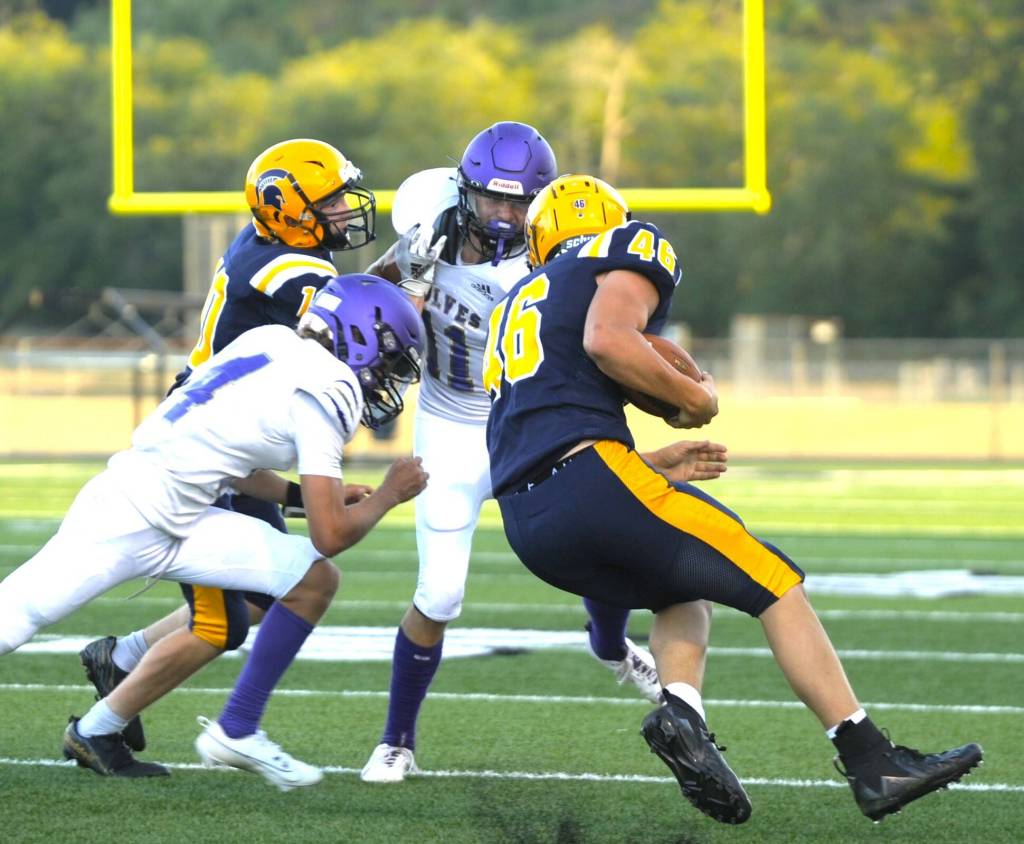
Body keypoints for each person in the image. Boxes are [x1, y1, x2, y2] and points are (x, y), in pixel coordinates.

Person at [483, 174, 983, 825]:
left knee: (679, 589)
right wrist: (698, 399)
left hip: (528, 522)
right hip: (591, 482)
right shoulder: (628, 244)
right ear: (611, 223)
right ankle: (871, 760)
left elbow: (568, 399)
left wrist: (654, 444)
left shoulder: (521, 297)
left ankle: (682, 715)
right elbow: (609, 341)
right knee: (773, 580)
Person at [357, 122, 704, 783]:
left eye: (520, 202)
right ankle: (396, 739)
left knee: (593, 539)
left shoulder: (560, 251)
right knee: (440, 592)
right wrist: (409, 283)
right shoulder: (428, 230)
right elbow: (372, 301)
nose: (506, 215)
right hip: (452, 424)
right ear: (466, 192)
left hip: (531, 420)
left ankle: (608, 644)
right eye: (493, 199)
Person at [0, 274, 428, 790]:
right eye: (388, 360)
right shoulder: (329, 384)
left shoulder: (269, 340)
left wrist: (297, 496)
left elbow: (234, 455)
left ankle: (132, 730)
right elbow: (331, 534)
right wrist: (389, 494)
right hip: (127, 513)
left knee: (314, 580)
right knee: (16, 619)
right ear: (359, 337)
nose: (387, 378)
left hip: (182, 512)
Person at [77, 137, 378, 756]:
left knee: (270, 594)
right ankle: (95, 731)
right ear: (287, 207)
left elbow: (351, 301)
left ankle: (121, 655)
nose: (347, 211)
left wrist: (396, 273)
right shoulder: (294, 269)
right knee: (222, 623)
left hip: (218, 427)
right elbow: (361, 324)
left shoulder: (268, 244)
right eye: (332, 201)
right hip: (205, 444)